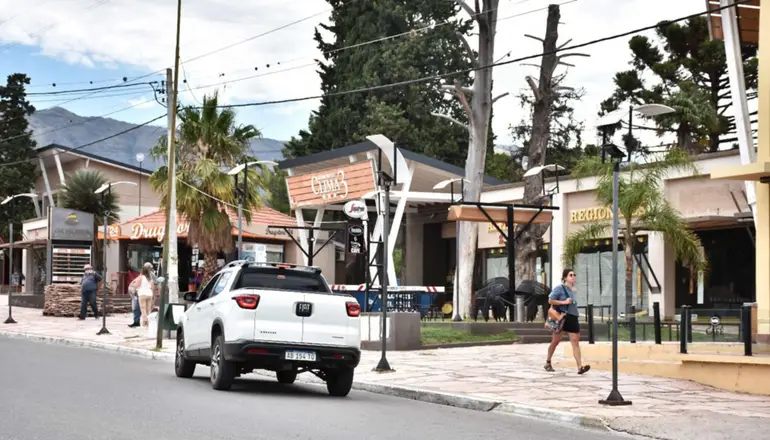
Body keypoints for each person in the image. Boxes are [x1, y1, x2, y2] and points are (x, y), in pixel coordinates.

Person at [544, 268, 590, 375]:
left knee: (575, 342)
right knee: (555, 341)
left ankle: (580, 367)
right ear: (565, 278)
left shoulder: (574, 290)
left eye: (574, 275)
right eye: (570, 275)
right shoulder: (560, 288)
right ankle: (548, 362)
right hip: (562, 317)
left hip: (573, 317)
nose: (573, 277)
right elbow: (550, 300)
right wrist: (563, 302)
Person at [130, 263, 157, 327]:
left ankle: (145, 323)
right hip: (149, 294)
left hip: (142, 294)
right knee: (148, 309)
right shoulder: (150, 277)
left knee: (143, 309)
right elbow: (153, 287)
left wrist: (133, 285)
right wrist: (153, 295)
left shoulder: (141, 277)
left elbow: (136, 285)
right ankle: (149, 323)